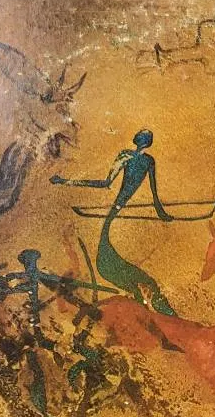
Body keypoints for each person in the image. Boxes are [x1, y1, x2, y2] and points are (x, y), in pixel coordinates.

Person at [51, 129, 178, 316]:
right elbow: (154, 195)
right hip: (118, 212)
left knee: (131, 279)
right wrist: (161, 213)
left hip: (116, 211)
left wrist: (65, 181)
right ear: (148, 143)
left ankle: (149, 311)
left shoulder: (126, 155)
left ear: (137, 140)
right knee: (135, 280)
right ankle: (154, 312)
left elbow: (105, 183)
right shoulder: (148, 161)